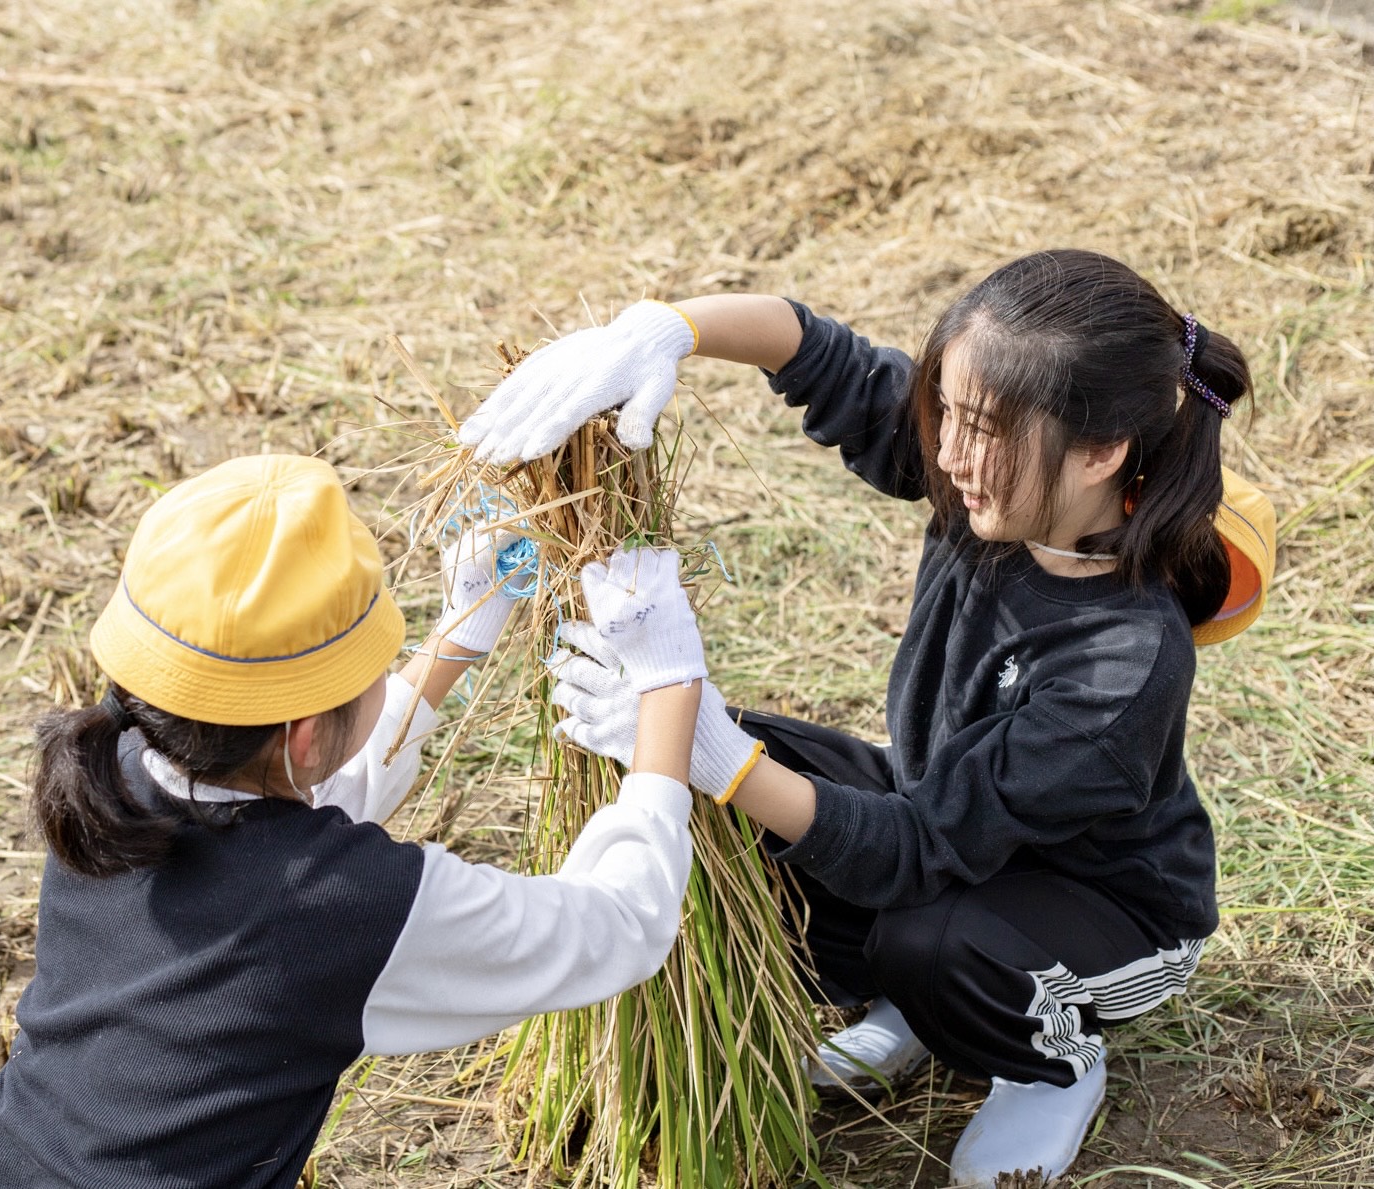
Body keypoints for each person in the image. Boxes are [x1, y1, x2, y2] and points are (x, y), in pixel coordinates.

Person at [459, 249, 1275, 1187]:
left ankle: (1047, 1060)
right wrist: (666, 328)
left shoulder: (1123, 662)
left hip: (1106, 912)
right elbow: (822, 356)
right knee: (740, 801)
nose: (952, 454)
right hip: (946, 823)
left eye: (987, 430)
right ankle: (922, 1007)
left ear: (1102, 452)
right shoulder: (995, 484)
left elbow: (914, 850)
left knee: (926, 935)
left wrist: (708, 747)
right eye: (949, 413)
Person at [0, 453, 711, 1189]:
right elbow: (623, 924)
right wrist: (667, 685)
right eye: (372, 669)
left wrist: (460, 631)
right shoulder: (345, 907)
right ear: (304, 734)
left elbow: (293, 812)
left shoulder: (112, 779)